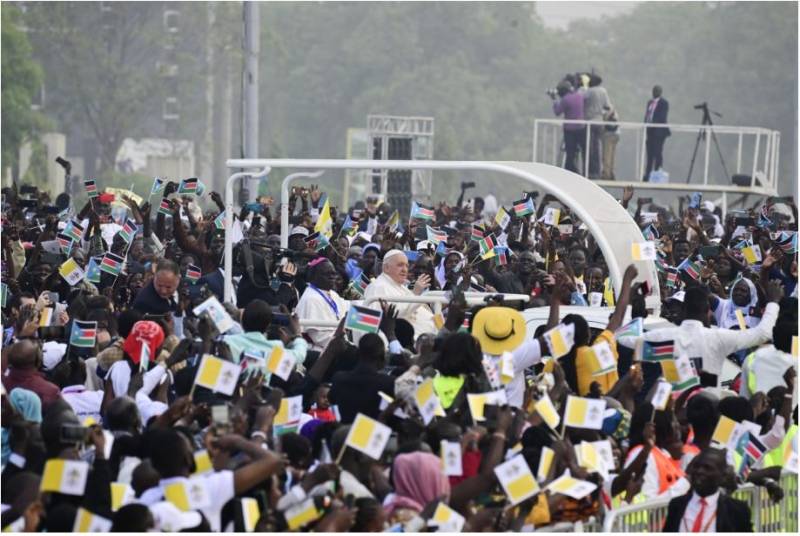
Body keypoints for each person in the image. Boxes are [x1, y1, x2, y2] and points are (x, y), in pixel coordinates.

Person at [618, 283, 783, 387]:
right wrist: (773, 302)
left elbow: (622, 339)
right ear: (707, 312)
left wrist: (635, 314)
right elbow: (763, 333)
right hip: (707, 411)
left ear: (683, 310)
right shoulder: (718, 338)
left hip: (671, 411)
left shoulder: (664, 337)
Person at [663, 448, 753, 532]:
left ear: (722, 476)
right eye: (696, 466)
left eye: (707, 468)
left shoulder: (737, 510)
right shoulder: (676, 505)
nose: (699, 471)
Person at [363, 249, 435, 339]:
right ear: (386, 268)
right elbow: (391, 318)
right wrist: (415, 294)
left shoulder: (400, 286)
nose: (405, 270)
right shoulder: (378, 286)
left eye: (407, 266)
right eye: (400, 265)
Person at [295, 258, 350, 352]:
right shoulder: (311, 298)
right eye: (327, 274)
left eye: (333, 273)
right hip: (319, 349)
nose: (332, 277)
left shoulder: (332, 293)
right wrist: (344, 346)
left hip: (336, 342)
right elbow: (318, 337)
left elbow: (347, 307)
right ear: (314, 276)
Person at [551, 80, 586, 174]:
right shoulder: (579, 96)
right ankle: (584, 169)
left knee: (570, 152)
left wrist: (554, 100)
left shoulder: (566, 99)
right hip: (581, 128)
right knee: (583, 151)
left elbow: (557, 112)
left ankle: (570, 170)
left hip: (570, 129)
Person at [583, 73, 612, 180]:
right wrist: (602, 113)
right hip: (600, 122)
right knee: (597, 147)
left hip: (589, 122)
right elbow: (608, 107)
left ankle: (590, 170)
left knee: (589, 147)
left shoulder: (589, 91)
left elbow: (581, 99)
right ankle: (597, 170)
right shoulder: (603, 91)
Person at [643, 85, 670, 181]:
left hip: (659, 132)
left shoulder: (664, 103)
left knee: (657, 152)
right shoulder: (650, 102)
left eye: (657, 91)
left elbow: (662, 117)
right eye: (654, 90)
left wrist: (653, 123)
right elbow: (647, 115)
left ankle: (657, 174)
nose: (655, 92)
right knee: (649, 154)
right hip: (650, 132)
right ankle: (648, 174)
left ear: (660, 92)